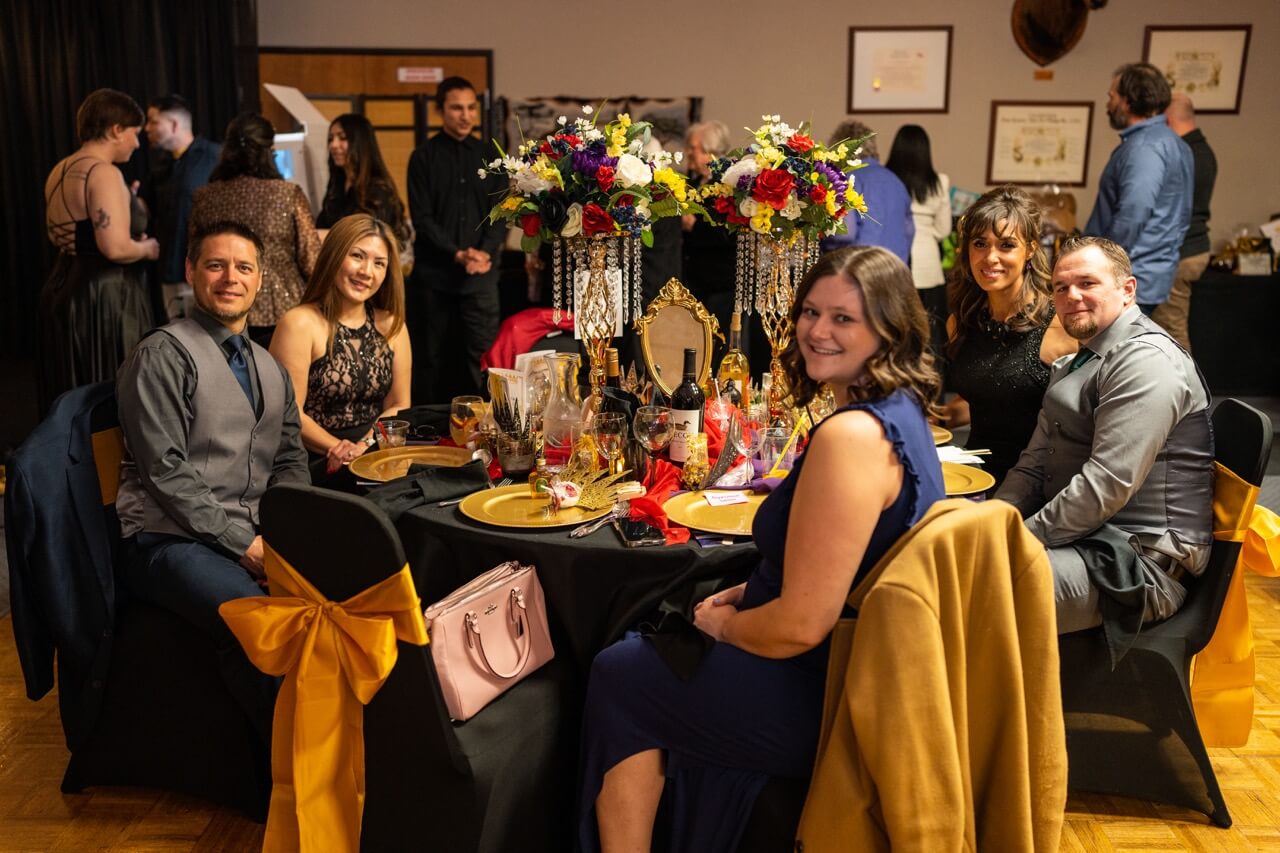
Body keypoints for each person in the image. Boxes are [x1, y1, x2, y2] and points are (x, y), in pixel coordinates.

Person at [579, 246, 946, 853]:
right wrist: (754, 591)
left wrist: (727, 626)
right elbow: (858, 561)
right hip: (853, 664)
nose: (817, 331)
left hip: (820, 691)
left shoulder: (852, 436)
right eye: (811, 312)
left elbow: (802, 625)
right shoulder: (900, 412)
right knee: (658, 641)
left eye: (843, 318)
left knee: (619, 674)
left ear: (889, 328)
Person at [115, 220, 311, 745]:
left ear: (261, 279)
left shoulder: (269, 366)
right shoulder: (161, 355)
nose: (231, 278)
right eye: (216, 265)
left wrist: (285, 539)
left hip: (247, 538)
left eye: (244, 267)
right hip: (165, 540)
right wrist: (246, 547)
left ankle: (347, 749)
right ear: (190, 271)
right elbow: (165, 471)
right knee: (264, 625)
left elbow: (290, 459)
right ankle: (283, 767)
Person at [995, 236, 1213, 637]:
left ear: (1127, 290)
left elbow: (1106, 486)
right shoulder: (1082, 358)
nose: (1071, 296)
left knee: (970, 587)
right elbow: (1033, 464)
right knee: (943, 563)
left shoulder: (1146, 360)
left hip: (1136, 565)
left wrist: (1016, 541)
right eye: (1061, 287)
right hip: (1086, 540)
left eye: (1087, 283)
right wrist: (991, 523)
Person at [943, 186, 1076, 485]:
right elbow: (989, 399)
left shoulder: (1060, 326)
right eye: (980, 244)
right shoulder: (961, 322)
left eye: (1006, 245)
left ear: (1030, 249)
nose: (990, 257)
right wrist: (934, 417)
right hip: (975, 475)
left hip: (1037, 483)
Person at [39, 88, 159, 414]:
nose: (137, 143)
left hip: (64, 286)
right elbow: (115, 248)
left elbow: (63, 234)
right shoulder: (103, 172)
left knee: (73, 393)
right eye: (134, 133)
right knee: (110, 390)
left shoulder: (59, 169)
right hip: (105, 296)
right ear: (116, 130)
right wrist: (148, 248)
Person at [270, 213, 411, 482]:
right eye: (357, 256)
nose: (366, 271)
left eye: (379, 263)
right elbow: (288, 412)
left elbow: (399, 403)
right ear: (333, 256)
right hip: (311, 457)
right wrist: (339, 449)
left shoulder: (393, 325)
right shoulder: (298, 323)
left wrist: (365, 446)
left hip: (373, 450)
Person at [405, 76, 505, 401]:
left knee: (484, 359)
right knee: (430, 360)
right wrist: (457, 253)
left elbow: (502, 212)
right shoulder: (423, 157)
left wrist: (484, 252)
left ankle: (489, 423)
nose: (465, 115)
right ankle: (426, 425)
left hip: (480, 279)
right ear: (440, 111)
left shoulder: (491, 157)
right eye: (457, 108)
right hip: (435, 278)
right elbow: (422, 218)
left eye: (471, 108)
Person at [190, 112, 322, 348]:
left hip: (222, 306)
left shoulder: (205, 196)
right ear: (269, 150)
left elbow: (195, 254)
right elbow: (311, 260)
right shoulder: (287, 194)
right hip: (283, 311)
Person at [1085, 62, 1193, 314]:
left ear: (1127, 101)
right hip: (1148, 273)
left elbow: (1133, 212)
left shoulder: (1145, 147)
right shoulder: (1175, 143)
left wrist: (1099, 265)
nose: (1108, 104)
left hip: (1128, 276)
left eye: (1112, 96)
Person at [142, 94, 220, 319]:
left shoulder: (214, 157)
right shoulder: (161, 166)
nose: (147, 128)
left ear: (174, 124)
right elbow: (148, 210)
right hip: (169, 273)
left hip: (205, 272)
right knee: (175, 336)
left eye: (153, 121)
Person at [1151, 94, 1216, 351]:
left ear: (1166, 119)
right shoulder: (1203, 150)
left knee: (1170, 330)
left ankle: (1183, 378)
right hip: (1193, 247)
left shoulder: (1183, 153)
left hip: (1181, 252)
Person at [886, 124, 951, 358]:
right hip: (928, 265)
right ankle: (931, 377)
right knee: (931, 331)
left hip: (894, 258)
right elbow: (944, 230)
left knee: (895, 329)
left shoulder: (888, 179)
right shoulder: (940, 182)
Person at [820, 120, 914, 266]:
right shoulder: (896, 181)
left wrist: (822, 240)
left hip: (861, 268)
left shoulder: (847, 179)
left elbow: (845, 234)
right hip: (896, 266)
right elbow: (909, 231)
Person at [316, 114, 412, 254]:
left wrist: (319, 235)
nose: (333, 145)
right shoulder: (337, 185)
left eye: (342, 138)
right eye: (331, 139)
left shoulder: (378, 189)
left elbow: (369, 237)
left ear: (360, 143)